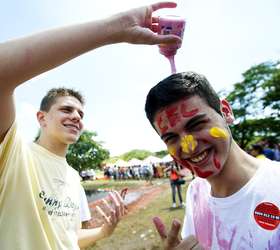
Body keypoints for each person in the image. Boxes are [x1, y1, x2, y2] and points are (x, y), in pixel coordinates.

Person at [0, 2, 181, 249]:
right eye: (66, 109)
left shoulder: (74, 178)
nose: (76, 116)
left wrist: (105, 230)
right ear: (41, 118)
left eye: (80, 113)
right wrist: (115, 28)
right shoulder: (14, 153)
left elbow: (69, 238)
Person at [145, 72, 280, 249]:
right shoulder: (196, 191)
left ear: (225, 112)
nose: (189, 147)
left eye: (196, 125)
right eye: (171, 138)